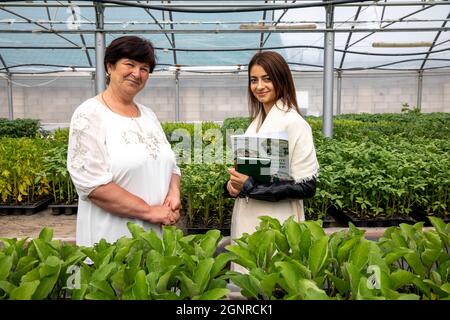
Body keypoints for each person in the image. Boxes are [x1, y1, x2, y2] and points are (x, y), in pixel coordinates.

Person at [67, 36, 181, 247]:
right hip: (110, 243)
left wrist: (174, 195)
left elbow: (171, 165)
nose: (137, 74)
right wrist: (150, 211)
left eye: (144, 68)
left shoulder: (148, 115)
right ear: (110, 66)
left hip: (153, 241)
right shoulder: (90, 114)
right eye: (129, 64)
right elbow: (93, 185)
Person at [226, 51, 319, 241]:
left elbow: (307, 186)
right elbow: (250, 173)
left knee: (270, 266)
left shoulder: (294, 123)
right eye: (254, 80)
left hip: (276, 221)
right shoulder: (255, 124)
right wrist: (232, 186)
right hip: (247, 218)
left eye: (267, 79)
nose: (259, 86)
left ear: (281, 79)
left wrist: (250, 186)